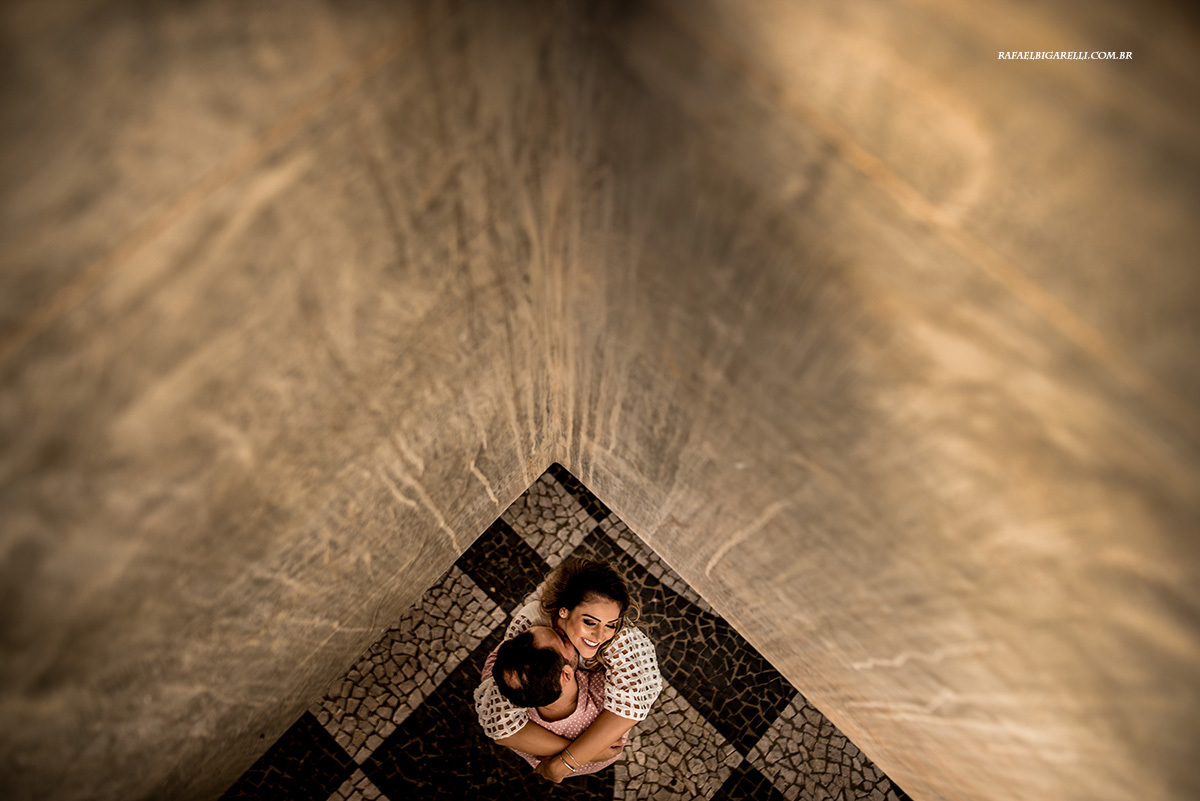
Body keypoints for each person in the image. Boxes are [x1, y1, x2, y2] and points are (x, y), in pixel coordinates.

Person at [474, 558, 663, 783]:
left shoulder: (622, 641)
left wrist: (564, 762)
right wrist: (583, 753)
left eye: (610, 624)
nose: (600, 636)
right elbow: (501, 721)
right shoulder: (534, 626)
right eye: (590, 622)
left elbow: (626, 711)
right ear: (563, 611)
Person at [483, 625, 624, 776]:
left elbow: (494, 661)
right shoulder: (606, 693)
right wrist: (588, 752)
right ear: (566, 675)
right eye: (562, 640)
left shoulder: (506, 703)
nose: (563, 631)